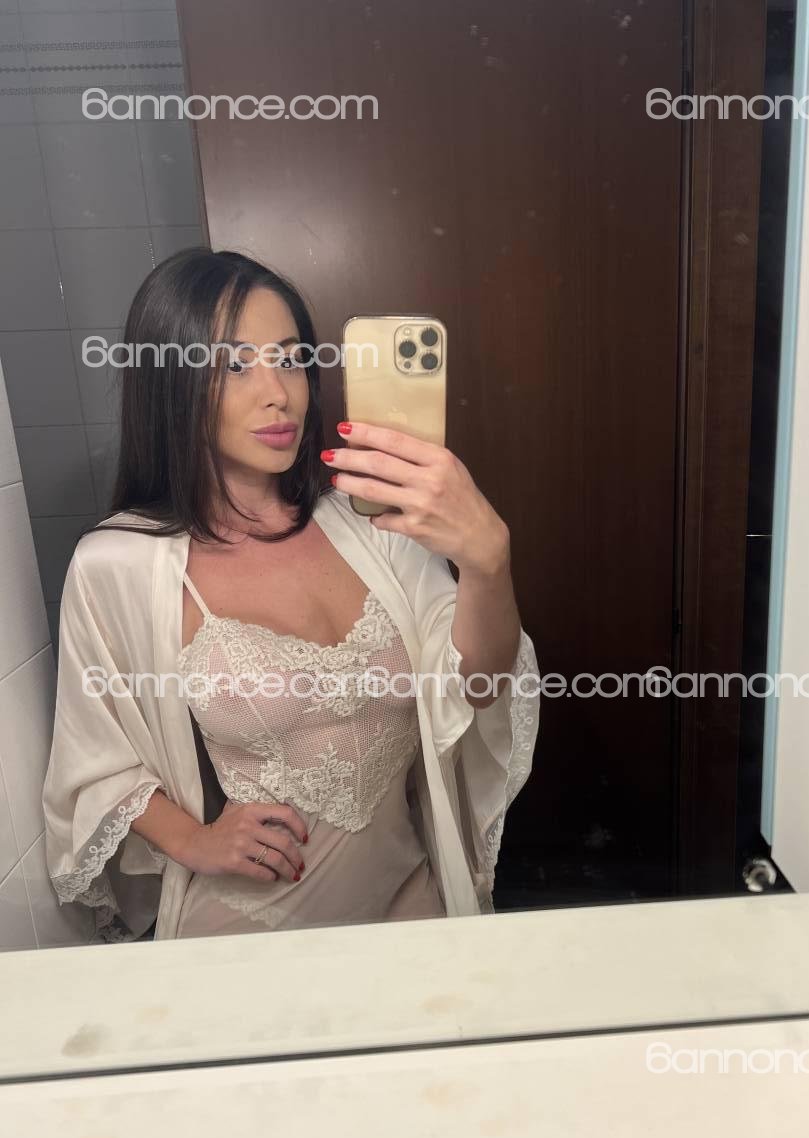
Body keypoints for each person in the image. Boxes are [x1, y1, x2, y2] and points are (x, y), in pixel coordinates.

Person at [41, 248, 539, 942]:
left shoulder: (377, 529)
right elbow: (93, 759)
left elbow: (479, 686)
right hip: (250, 934)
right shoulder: (120, 564)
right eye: (235, 365)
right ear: (171, 383)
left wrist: (489, 561)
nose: (278, 392)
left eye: (291, 357)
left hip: (413, 905)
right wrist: (193, 839)